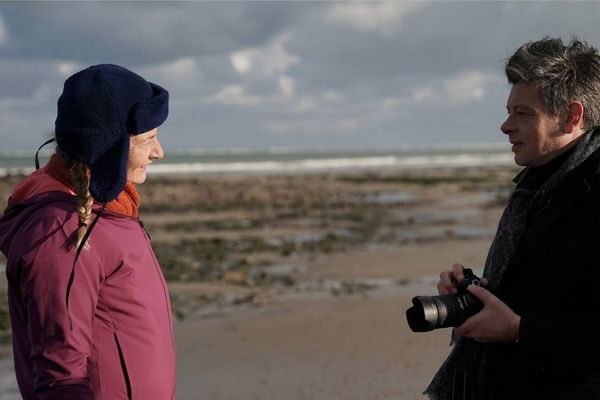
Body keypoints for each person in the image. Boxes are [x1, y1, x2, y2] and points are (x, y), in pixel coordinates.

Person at [426, 37, 600, 399]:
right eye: (509, 111)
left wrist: (519, 328)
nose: (506, 126)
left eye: (522, 113)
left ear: (571, 116)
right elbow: (554, 283)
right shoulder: (538, 184)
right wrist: (477, 295)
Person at [0, 64, 175, 399]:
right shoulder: (62, 232)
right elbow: (62, 376)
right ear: (110, 147)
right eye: (148, 139)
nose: (159, 152)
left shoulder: (111, 212)